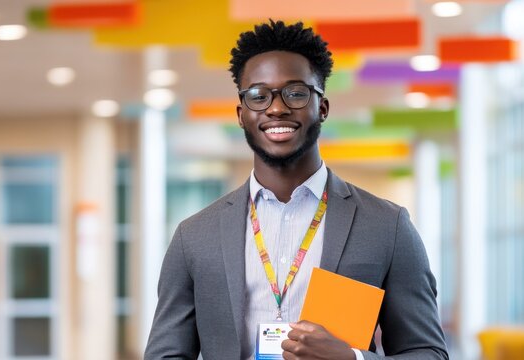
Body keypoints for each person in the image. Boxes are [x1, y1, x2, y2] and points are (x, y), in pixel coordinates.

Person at [144, 20, 449, 360]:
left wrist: (352, 358)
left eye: (295, 92)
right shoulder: (194, 236)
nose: (276, 107)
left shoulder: (386, 226)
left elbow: (428, 352)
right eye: (259, 95)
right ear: (241, 114)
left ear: (322, 107)